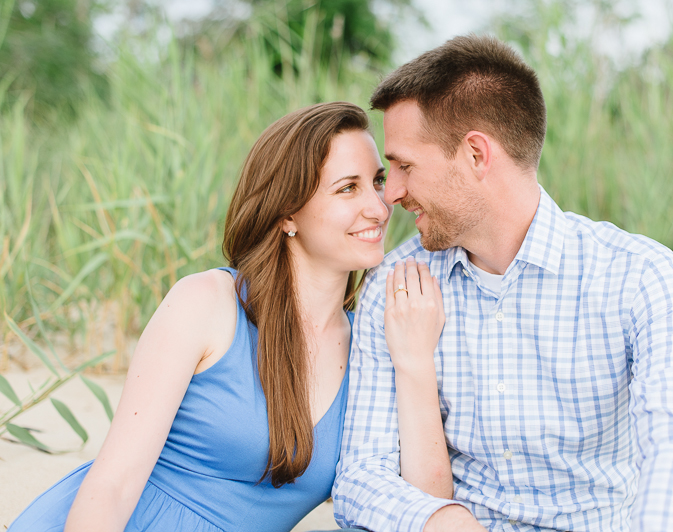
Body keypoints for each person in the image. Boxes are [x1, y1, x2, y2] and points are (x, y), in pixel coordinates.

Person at [333, 35, 673, 532]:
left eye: (405, 166)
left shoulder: (640, 276)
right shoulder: (394, 283)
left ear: (476, 154)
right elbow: (360, 477)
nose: (391, 193)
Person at [9, 102, 450, 532]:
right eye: (347, 188)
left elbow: (415, 509)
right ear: (287, 212)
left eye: (376, 182)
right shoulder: (208, 303)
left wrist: (415, 363)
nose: (378, 207)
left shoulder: (370, 347)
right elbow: (113, 484)